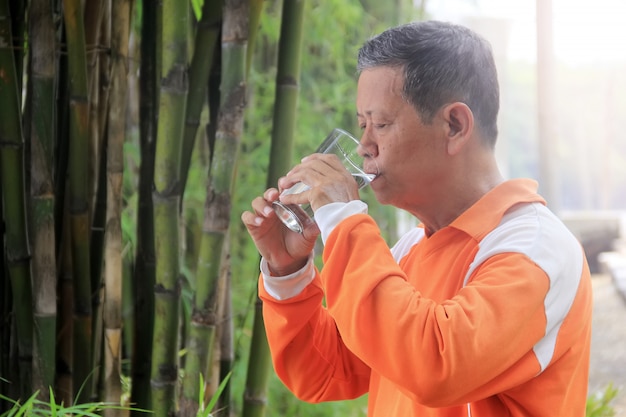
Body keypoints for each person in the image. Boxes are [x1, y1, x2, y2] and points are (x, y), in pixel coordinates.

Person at [241, 20, 592, 417]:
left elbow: (437, 366)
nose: (365, 147)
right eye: (362, 126)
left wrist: (343, 219)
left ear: (454, 125)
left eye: (382, 125)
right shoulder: (409, 249)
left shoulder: (535, 249)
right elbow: (325, 371)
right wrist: (288, 271)